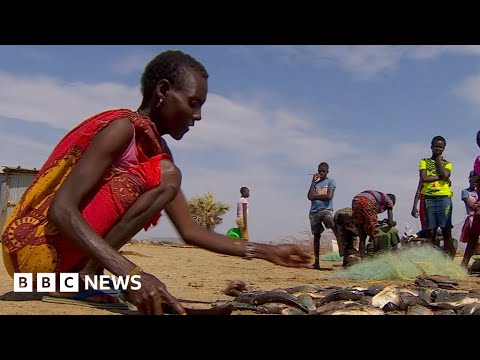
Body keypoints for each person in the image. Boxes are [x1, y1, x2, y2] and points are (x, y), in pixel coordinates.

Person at [1, 50, 311, 315]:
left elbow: (190, 231)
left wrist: (266, 251)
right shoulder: (123, 129)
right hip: (35, 260)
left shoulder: (159, 155)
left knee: (166, 175)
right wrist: (131, 275)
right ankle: (84, 278)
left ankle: (84, 278)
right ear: (162, 91)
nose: (199, 115)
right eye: (193, 102)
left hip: (53, 273)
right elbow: (61, 210)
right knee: (166, 175)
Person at [418, 135, 455, 258]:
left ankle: (448, 261)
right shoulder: (424, 161)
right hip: (429, 198)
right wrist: (442, 177)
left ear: (444, 148)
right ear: (431, 147)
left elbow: (446, 173)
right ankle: (430, 260)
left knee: (446, 230)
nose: (438, 149)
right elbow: (424, 178)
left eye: (440, 147)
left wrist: (438, 160)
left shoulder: (447, 163)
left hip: (444, 197)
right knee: (430, 231)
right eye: (435, 147)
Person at [307, 162, 337, 270]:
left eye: (323, 171)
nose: (321, 173)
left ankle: (341, 246)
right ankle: (316, 262)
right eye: (319, 171)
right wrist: (312, 182)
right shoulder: (316, 184)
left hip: (325, 209)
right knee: (316, 236)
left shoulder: (331, 181)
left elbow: (329, 196)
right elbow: (310, 196)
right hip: (314, 212)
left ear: (327, 172)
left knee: (331, 222)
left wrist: (316, 196)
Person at [351, 190, 396, 258]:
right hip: (366, 201)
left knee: (362, 235)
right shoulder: (389, 200)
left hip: (355, 201)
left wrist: (380, 222)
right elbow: (390, 222)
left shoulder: (379, 199)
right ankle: (377, 257)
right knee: (375, 233)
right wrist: (393, 222)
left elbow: (368, 218)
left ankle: (362, 258)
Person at [460, 171, 479, 245]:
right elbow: (470, 205)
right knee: (473, 238)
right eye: (472, 180)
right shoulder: (465, 192)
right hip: (472, 218)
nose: (474, 183)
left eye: (476, 181)